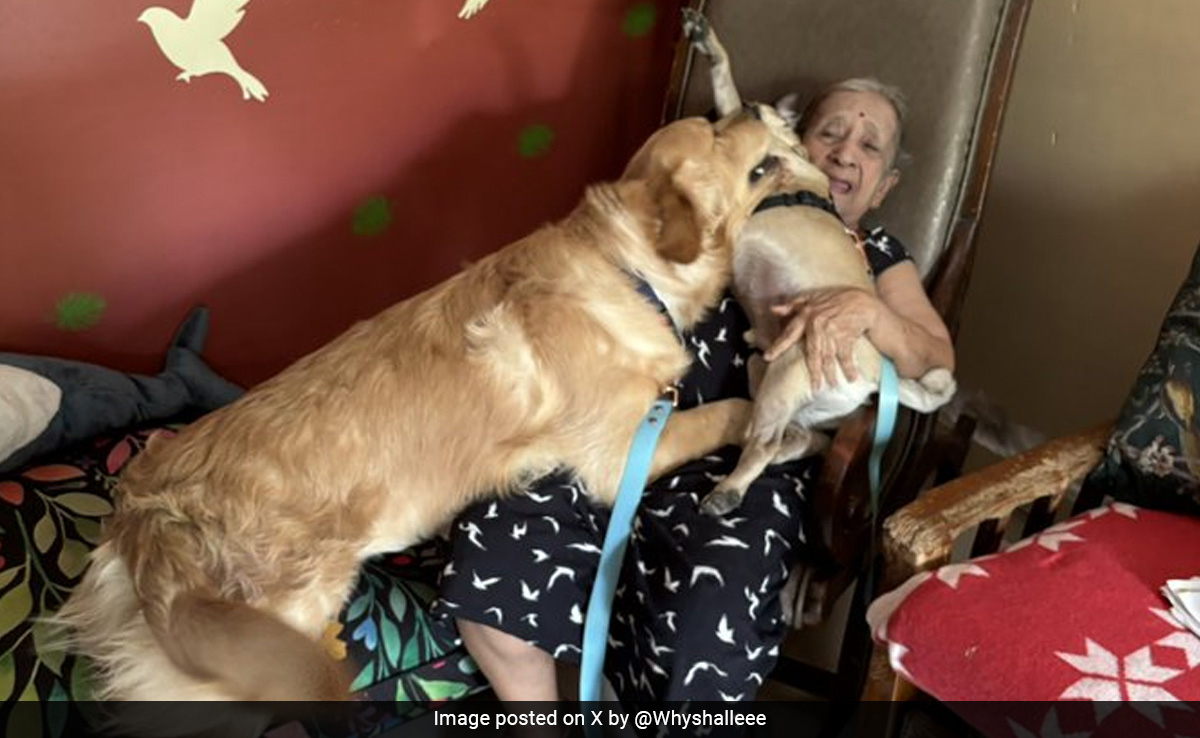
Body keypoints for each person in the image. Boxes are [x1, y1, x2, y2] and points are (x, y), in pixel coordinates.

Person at [430, 77, 955, 703]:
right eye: (830, 133)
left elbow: (934, 357)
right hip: (617, 423)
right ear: (792, 144)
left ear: (885, 186)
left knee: (711, 611)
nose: (845, 152)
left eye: (870, 147)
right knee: (496, 536)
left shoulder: (874, 252)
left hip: (745, 463)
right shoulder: (715, 194)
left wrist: (870, 313)